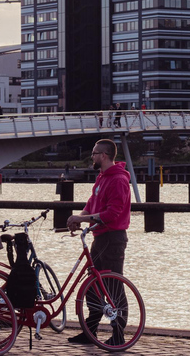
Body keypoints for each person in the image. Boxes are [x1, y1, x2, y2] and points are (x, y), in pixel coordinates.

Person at [66, 138, 131, 345]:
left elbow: (113, 213)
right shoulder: (102, 177)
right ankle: (90, 330)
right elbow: (92, 204)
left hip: (113, 238)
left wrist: (82, 219)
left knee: (113, 285)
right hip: (100, 236)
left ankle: (118, 335)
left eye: (94, 153)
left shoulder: (118, 180)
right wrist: (80, 217)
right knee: (92, 285)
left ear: (103, 155)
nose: (91, 156)